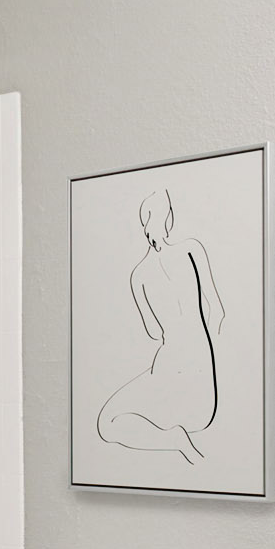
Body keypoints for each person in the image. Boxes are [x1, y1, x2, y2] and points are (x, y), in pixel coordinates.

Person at [97, 190, 224, 464]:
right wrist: (205, 355)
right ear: (169, 219)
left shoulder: (139, 275)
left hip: (168, 374)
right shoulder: (192, 249)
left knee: (107, 423)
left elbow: (155, 332)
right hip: (203, 396)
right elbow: (217, 310)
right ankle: (175, 438)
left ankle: (171, 441)